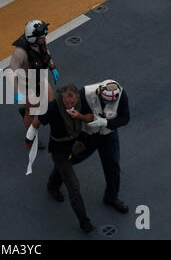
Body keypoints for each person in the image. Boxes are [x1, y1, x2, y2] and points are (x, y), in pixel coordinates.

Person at [24, 84, 96, 233]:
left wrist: (79, 116)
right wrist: (28, 139)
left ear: (77, 98)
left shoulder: (81, 101)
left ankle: (52, 186)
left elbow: (90, 118)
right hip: (59, 150)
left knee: (64, 169)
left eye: (73, 103)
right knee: (73, 185)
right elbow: (37, 122)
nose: (70, 105)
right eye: (67, 103)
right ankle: (84, 221)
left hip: (76, 145)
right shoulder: (52, 108)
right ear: (62, 98)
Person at [81, 79, 130, 213]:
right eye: (105, 101)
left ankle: (111, 197)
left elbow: (125, 118)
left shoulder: (121, 95)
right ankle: (55, 181)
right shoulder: (86, 93)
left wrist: (106, 123)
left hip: (108, 133)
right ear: (100, 92)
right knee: (73, 157)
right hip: (88, 133)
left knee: (113, 165)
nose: (108, 104)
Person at [9, 20, 60, 148]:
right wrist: (16, 94)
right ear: (33, 39)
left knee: (50, 103)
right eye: (42, 37)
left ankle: (26, 112)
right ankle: (30, 137)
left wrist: (53, 68)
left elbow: (46, 54)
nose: (44, 39)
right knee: (31, 110)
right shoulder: (20, 53)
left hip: (39, 77)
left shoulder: (40, 41)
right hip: (26, 83)